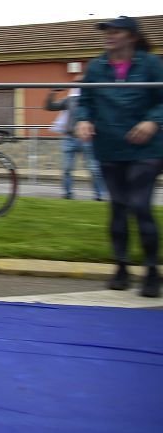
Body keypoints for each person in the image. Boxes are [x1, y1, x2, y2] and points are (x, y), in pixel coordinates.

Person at [76, 16, 163, 298]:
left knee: (139, 205)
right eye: (107, 32)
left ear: (132, 37)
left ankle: (151, 271)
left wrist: (153, 120)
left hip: (146, 148)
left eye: (117, 32)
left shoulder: (150, 64)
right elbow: (85, 100)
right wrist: (84, 119)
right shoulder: (97, 67)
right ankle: (122, 267)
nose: (110, 36)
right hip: (110, 147)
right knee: (118, 206)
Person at [45, 77, 105, 201]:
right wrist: (53, 92)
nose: (75, 86)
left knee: (94, 169)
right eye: (74, 84)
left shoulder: (94, 100)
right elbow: (50, 106)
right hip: (69, 138)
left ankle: (99, 195)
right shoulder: (70, 100)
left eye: (78, 83)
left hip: (88, 139)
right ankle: (67, 194)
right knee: (67, 169)